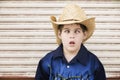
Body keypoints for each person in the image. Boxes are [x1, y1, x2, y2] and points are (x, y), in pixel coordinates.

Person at [35, 4, 106, 80]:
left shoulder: (94, 64)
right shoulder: (47, 62)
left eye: (77, 31)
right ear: (59, 34)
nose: (72, 36)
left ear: (84, 34)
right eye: (67, 31)